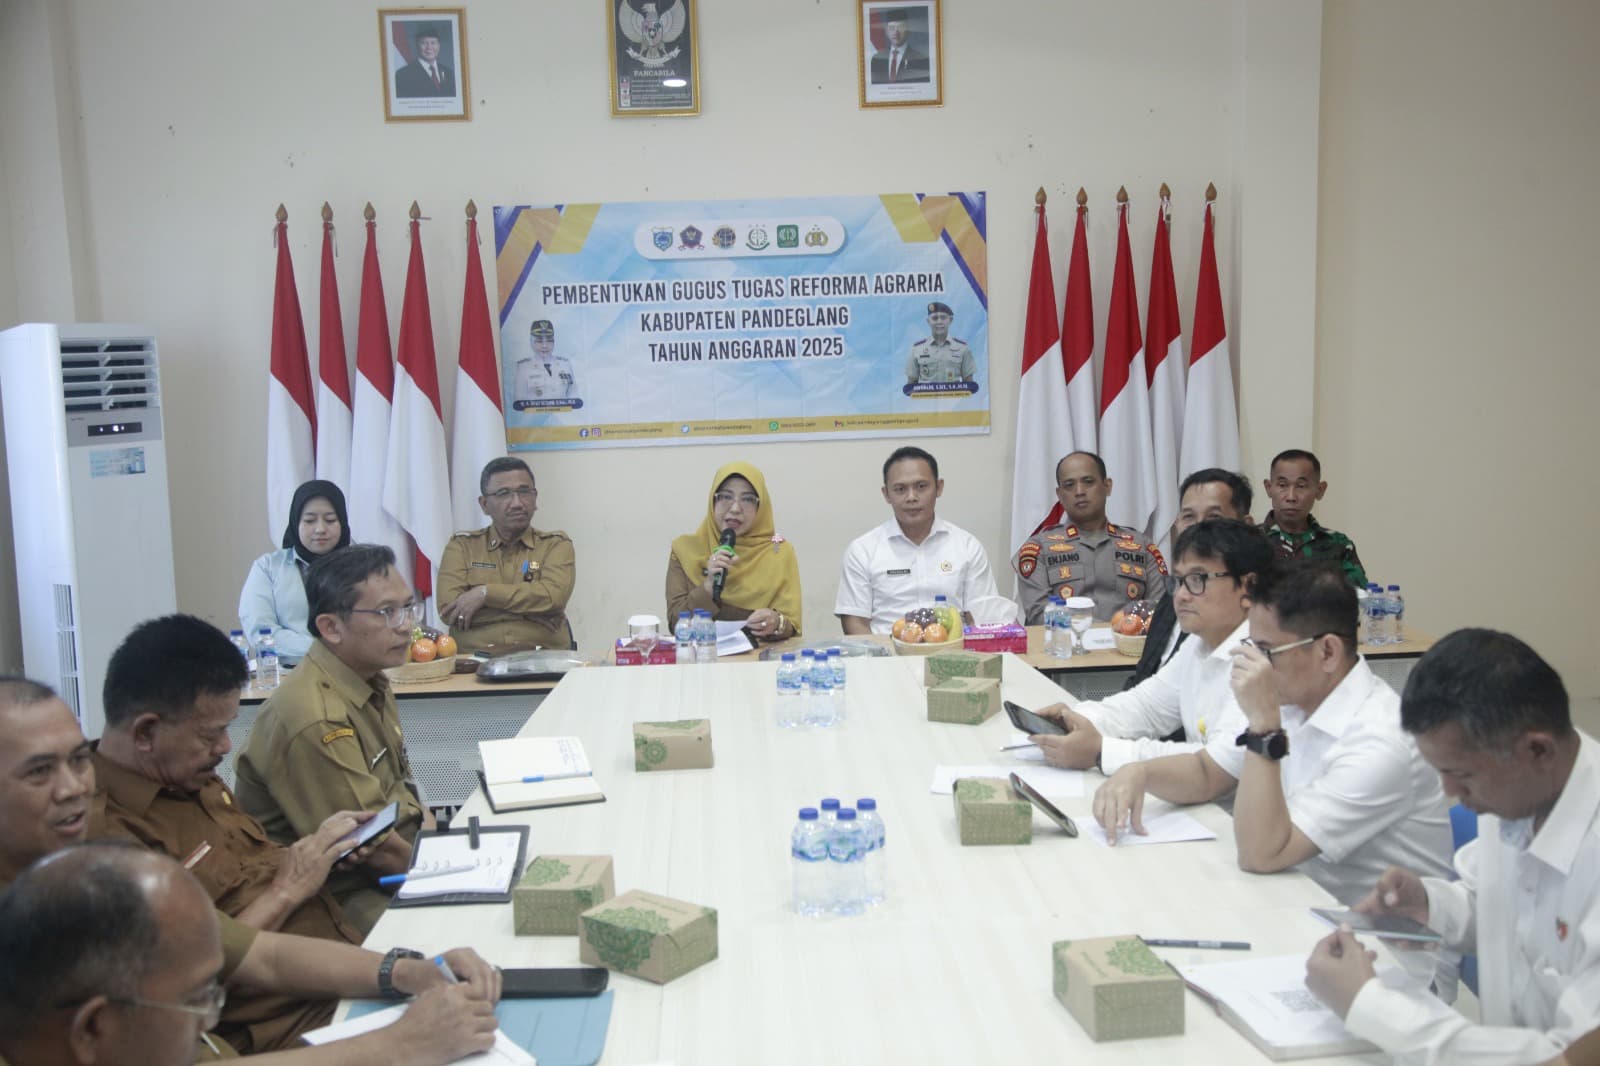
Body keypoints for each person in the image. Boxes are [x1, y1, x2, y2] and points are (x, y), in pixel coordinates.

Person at [0, 678, 501, 1066]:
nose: (73, 788)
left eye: (78, 761)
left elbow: (262, 955)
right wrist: (400, 1045)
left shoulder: (98, 873)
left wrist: (409, 971)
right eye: (39, 772)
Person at [1304, 629, 1600, 1063]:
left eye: (1462, 775)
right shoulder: (1524, 790)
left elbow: (1569, 1060)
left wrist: (1370, 1006)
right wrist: (1430, 907)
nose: (1450, 792)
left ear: (1537, 750)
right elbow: (1504, 906)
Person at [1091, 562, 1453, 909]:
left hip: (1378, 940)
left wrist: (1263, 726)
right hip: (1292, 901)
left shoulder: (1380, 742)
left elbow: (1261, 853)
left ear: (1328, 651)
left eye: (1267, 651)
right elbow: (1209, 769)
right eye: (1251, 647)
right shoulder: (1297, 696)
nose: (1253, 665)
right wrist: (1140, 771)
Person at [92, 615, 378, 1052]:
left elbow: (251, 868)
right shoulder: (109, 839)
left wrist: (315, 852)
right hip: (290, 1029)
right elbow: (188, 976)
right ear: (146, 732)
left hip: (347, 976)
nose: (225, 747)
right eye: (211, 734)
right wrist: (287, 890)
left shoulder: (188, 773)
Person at [235, 544, 435, 936]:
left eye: (408, 608)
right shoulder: (316, 716)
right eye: (386, 612)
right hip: (336, 894)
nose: (405, 626)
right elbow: (375, 850)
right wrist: (447, 876)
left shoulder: (369, 677)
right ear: (330, 627)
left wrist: (430, 833)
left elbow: (401, 786)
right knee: (456, 936)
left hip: (398, 859)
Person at [1030, 519, 1271, 776]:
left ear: (1248, 587)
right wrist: (1074, 719)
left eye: (1197, 579)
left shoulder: (1263, 658)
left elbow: (1216, 765)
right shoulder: (1200, 642)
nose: (1181, 595)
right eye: (1178, 581)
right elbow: (1147, 707)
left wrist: (1101, 751)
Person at [836, 446, 1003, 635]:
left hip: (952, 649)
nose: (911, 497)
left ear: (939, 487)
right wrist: (881, 653)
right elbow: (855, 625)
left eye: (921, 486)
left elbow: (983, 619)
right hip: (887, 650)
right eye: (900, 489)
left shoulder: (967, 546)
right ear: (886, 494)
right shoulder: (862, 550)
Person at [1121, 468, 1253, 690]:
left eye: (1214, 518)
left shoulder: (1252, 610)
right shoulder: (1175, 591)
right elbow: (1144, 683)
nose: (1199, 529)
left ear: (1245, 525)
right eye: (1189, 517)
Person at [436, 458, 576, 654]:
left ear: (535, 498)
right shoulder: (461, 547)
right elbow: (449, 610)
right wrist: (529, 613)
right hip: (475, 661)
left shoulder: (555, 545)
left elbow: (554, 598)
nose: (517, 503)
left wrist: (484, 594)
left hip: (544, 658)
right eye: (504, 493)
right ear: (484, 504)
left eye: (524, 491)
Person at [1012, 451, 1168, 624]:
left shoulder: (1141, 546)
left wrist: (1122, 631)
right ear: (1059, 495)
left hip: (1129, 640)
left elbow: (1161, 610)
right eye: (1069, 485)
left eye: (1088, 482)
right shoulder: (1038, 549)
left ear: (1107, 486)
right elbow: (1039, 615)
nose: (1079, 491)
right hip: (1066, 641)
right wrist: (1097, 631)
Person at [666, 462, 801, 641]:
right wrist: (708, 586)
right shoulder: (685, 550)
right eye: (726, 497)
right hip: (701, 654)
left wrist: (776, 622)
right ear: (713, 501)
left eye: (747, 499)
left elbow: (792, 627)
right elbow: (675, 624)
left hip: (759, 655)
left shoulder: (779, 552)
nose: (735, 508)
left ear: (761, 507)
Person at [239, 480, 351, 665]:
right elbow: (261, 632)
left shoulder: (364, 568)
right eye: (309, 520)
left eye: (330, 520)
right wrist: (325, 650)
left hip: (353, 673)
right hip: (287, 673)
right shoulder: (267, 567)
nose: (320, 529)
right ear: (295, 522)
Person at [1260, 448, 1367, 588]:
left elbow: (1358, 596)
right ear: (1268, 488)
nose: (1291, 497)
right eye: (1282, 485)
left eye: (1301, 486)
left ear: (1320, 490)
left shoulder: (1339, 544)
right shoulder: (1250, 541)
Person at [904, 302, 975, 385]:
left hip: (954, 393)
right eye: (935, 318)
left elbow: (969, 383)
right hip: (926, 394)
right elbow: (911, 384)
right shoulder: (917, 349)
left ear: (950, 320)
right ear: (928, 321)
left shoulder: (962, 348)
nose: (939, 322)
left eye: (943, 317)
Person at [513, 320, 576, 404]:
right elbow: (519, 401)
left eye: (549, 341)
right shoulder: (523, 367)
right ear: (531, 342)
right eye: (539, 341)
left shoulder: (565, 365)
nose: (544, 345)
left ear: (554, 342)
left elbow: (573, 395)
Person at [393, 24, 455, 98]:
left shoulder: (448, 73)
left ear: (439, 45)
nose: (429, 47)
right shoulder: (403, 75)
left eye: (433, 43)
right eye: (424, 43)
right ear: (417, 45)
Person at [869, 9, 930, 83]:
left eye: (900, 27)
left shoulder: (922, 60)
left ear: (908, 30)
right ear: (887, 31)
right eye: (892, 27)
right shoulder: (876, 59)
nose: (896, 32)